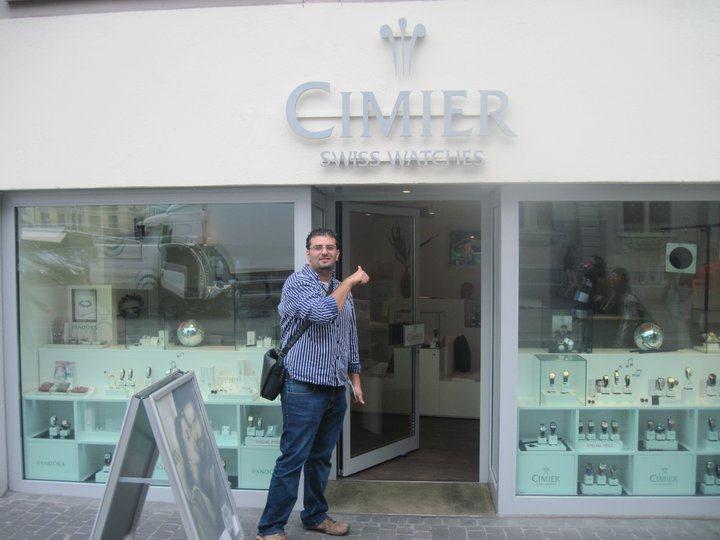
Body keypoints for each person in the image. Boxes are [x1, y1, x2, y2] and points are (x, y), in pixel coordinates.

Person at [257, 228, 369, 540]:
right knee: (293, 458)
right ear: (308, 253)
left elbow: (350, 337)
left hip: (335, 388)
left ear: (337, 254)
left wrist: (355, 379)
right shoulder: (298, 283)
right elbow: (321, 313)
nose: (324, 252)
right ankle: (269, 528)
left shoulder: (339, 288)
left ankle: (315, 516)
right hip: (303, 387)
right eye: (317, 247)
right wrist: (350, 281)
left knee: (320, 460)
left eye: (330, 247)